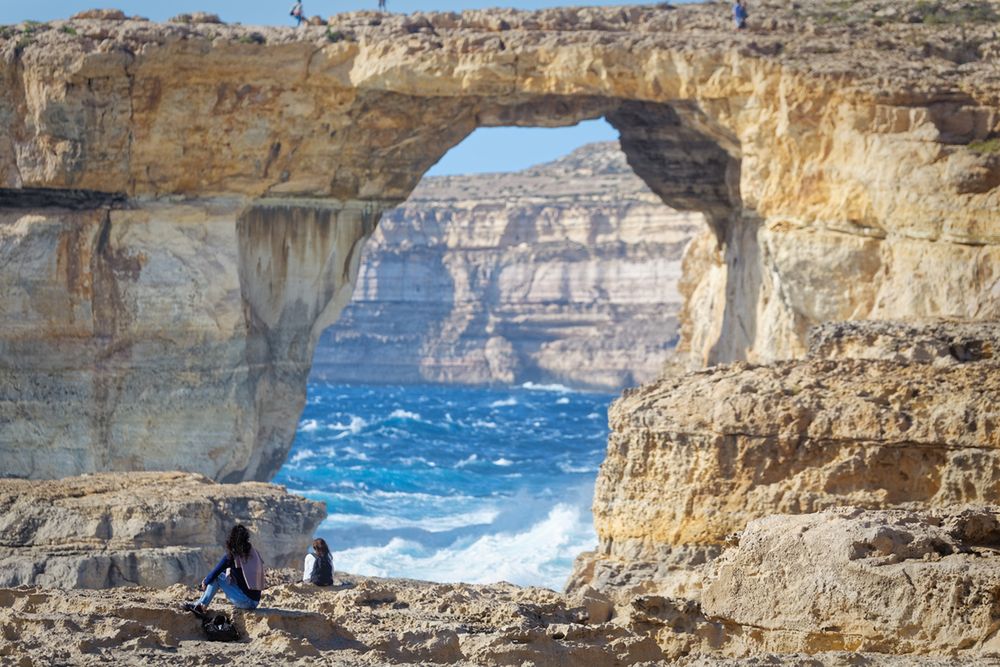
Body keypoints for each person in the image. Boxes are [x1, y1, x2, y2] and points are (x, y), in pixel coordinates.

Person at [184, 525, 266, 615]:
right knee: (222, 574)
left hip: (246, 602)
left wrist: (205, 582)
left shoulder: (231, 556)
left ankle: (201, 605)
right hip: (255, 602)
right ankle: (200, 604)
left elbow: (215, 572)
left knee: (217, 577)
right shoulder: (253, 553)